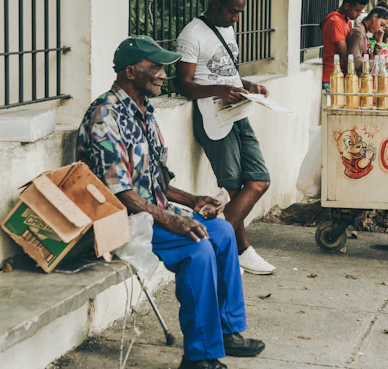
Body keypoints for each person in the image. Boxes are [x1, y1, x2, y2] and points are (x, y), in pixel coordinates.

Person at [77, 36, 265, 369]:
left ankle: (226, 331)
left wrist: (192, 200)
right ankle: (200, 356)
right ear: (131, 71)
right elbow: (119, 193)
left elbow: (156, 180)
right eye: (156, 67)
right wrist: (173, 220)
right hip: (118, 221)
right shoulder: (105, 117)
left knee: (221, 230)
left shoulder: (143, 111)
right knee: (198, 248)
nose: (164, 74)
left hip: (147, 213)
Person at [175, 0, 275, 275]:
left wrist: (247, 84)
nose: (236, 18)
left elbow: (227, 71)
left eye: (239, 12)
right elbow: (184, 83)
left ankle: (222, 247)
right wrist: (217, 90)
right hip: (212, 117)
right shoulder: (192, 34)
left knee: (259, 181)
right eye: (233, 11)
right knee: (234, 187)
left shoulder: (228, 28)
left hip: (237, 112)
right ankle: (238, 250)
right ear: (215, 3)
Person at [321, 0, 369, 88]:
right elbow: (346, 55)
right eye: (357, 10)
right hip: (333, 77)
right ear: (347, 6)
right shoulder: (335, 21)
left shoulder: (347, 22)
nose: (359, 14)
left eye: (361, 11)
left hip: (343, 75)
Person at [346, 6, 388, 72]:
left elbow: (373, 59)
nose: (381, 29)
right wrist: (378, 63)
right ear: (375, 17)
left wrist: (378, 41)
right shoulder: (358, 33)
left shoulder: (364, 33)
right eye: (381, 24)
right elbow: (355, 61)